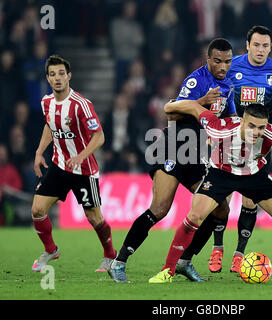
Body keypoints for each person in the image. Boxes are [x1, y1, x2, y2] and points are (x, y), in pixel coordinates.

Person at [148, 100, 272, 284]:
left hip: (254, 176)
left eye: (261, 127)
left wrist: (257, 159)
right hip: (221, 175)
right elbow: (194, 108)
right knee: (194, 217)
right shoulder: (219, 128)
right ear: (242, 121)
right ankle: (168, 270)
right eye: (251, 126)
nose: (256, 132)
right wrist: (171, 105)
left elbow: (266, 150)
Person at [108, 38, 236, 283]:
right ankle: (119, 261)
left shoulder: (228, 85)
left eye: (227, 62)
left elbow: (230, 118)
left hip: (196, 154)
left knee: (219, 208)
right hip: (172, 148)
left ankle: (185, 262)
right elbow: (171, 110)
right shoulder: (196, 80)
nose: (223, 66)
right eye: (217, 61)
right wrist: (201, 102)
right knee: (160, 209)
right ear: (208, 59)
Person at [183, 25, 272, 274]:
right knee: (221, 198)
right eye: (256, 44)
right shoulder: (231, 66)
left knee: (249, 197)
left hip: (259, 139)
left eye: (265, 46)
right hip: (227, 136)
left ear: (271, 47)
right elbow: (214, 93)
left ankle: (239, 253)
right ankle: (218, 248)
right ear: (247, 45)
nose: (261, 50)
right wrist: (210, 129)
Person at [31, 55, 117, 272]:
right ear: (48, 78)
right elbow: (50, 127)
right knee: (37, 210)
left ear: (69, 76)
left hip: (84, 170)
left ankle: (110, 255)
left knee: (94, 218)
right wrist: (39, 151)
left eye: (61, 73)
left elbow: (99, 136)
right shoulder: (46, 103)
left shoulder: (82, 105)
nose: (57, 78)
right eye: (52, 74)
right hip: (59, 165)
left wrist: (81, 155)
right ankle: (51, 250)